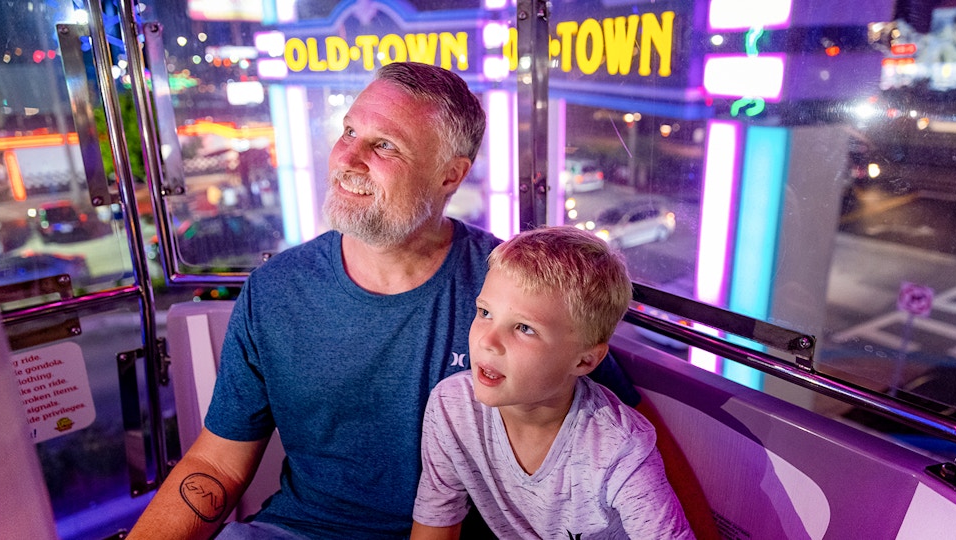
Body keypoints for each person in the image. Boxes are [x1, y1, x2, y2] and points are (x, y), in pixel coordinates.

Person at [128, 63, 639, 540]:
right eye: (349, 132)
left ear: (449, 176)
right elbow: (216, 464)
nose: (347, 159)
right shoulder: (275, 289)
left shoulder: (515, 285)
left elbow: (631, 437)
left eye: (384, 146)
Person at [411, 226, 694, 539]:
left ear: (584, 361)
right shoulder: (451, 407)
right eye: (485, 312)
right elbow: (436, 521)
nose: (487, 341)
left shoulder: (619, 449)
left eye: (524, 328)